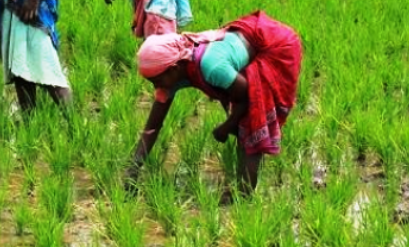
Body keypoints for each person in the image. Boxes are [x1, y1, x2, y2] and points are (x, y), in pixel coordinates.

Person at [125, 10, 302, 194]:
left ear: (174, 68)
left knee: (251, 121)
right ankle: (243, 184)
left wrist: (226, 126)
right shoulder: (175, 72)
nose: (156, 86)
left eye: (156, 80)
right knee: (240, 118)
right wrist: (133, 170)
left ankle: (243, 195)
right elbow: (152, 128)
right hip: (248, 46)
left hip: (277, 46)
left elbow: (249, 96)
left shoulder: (211, 65)